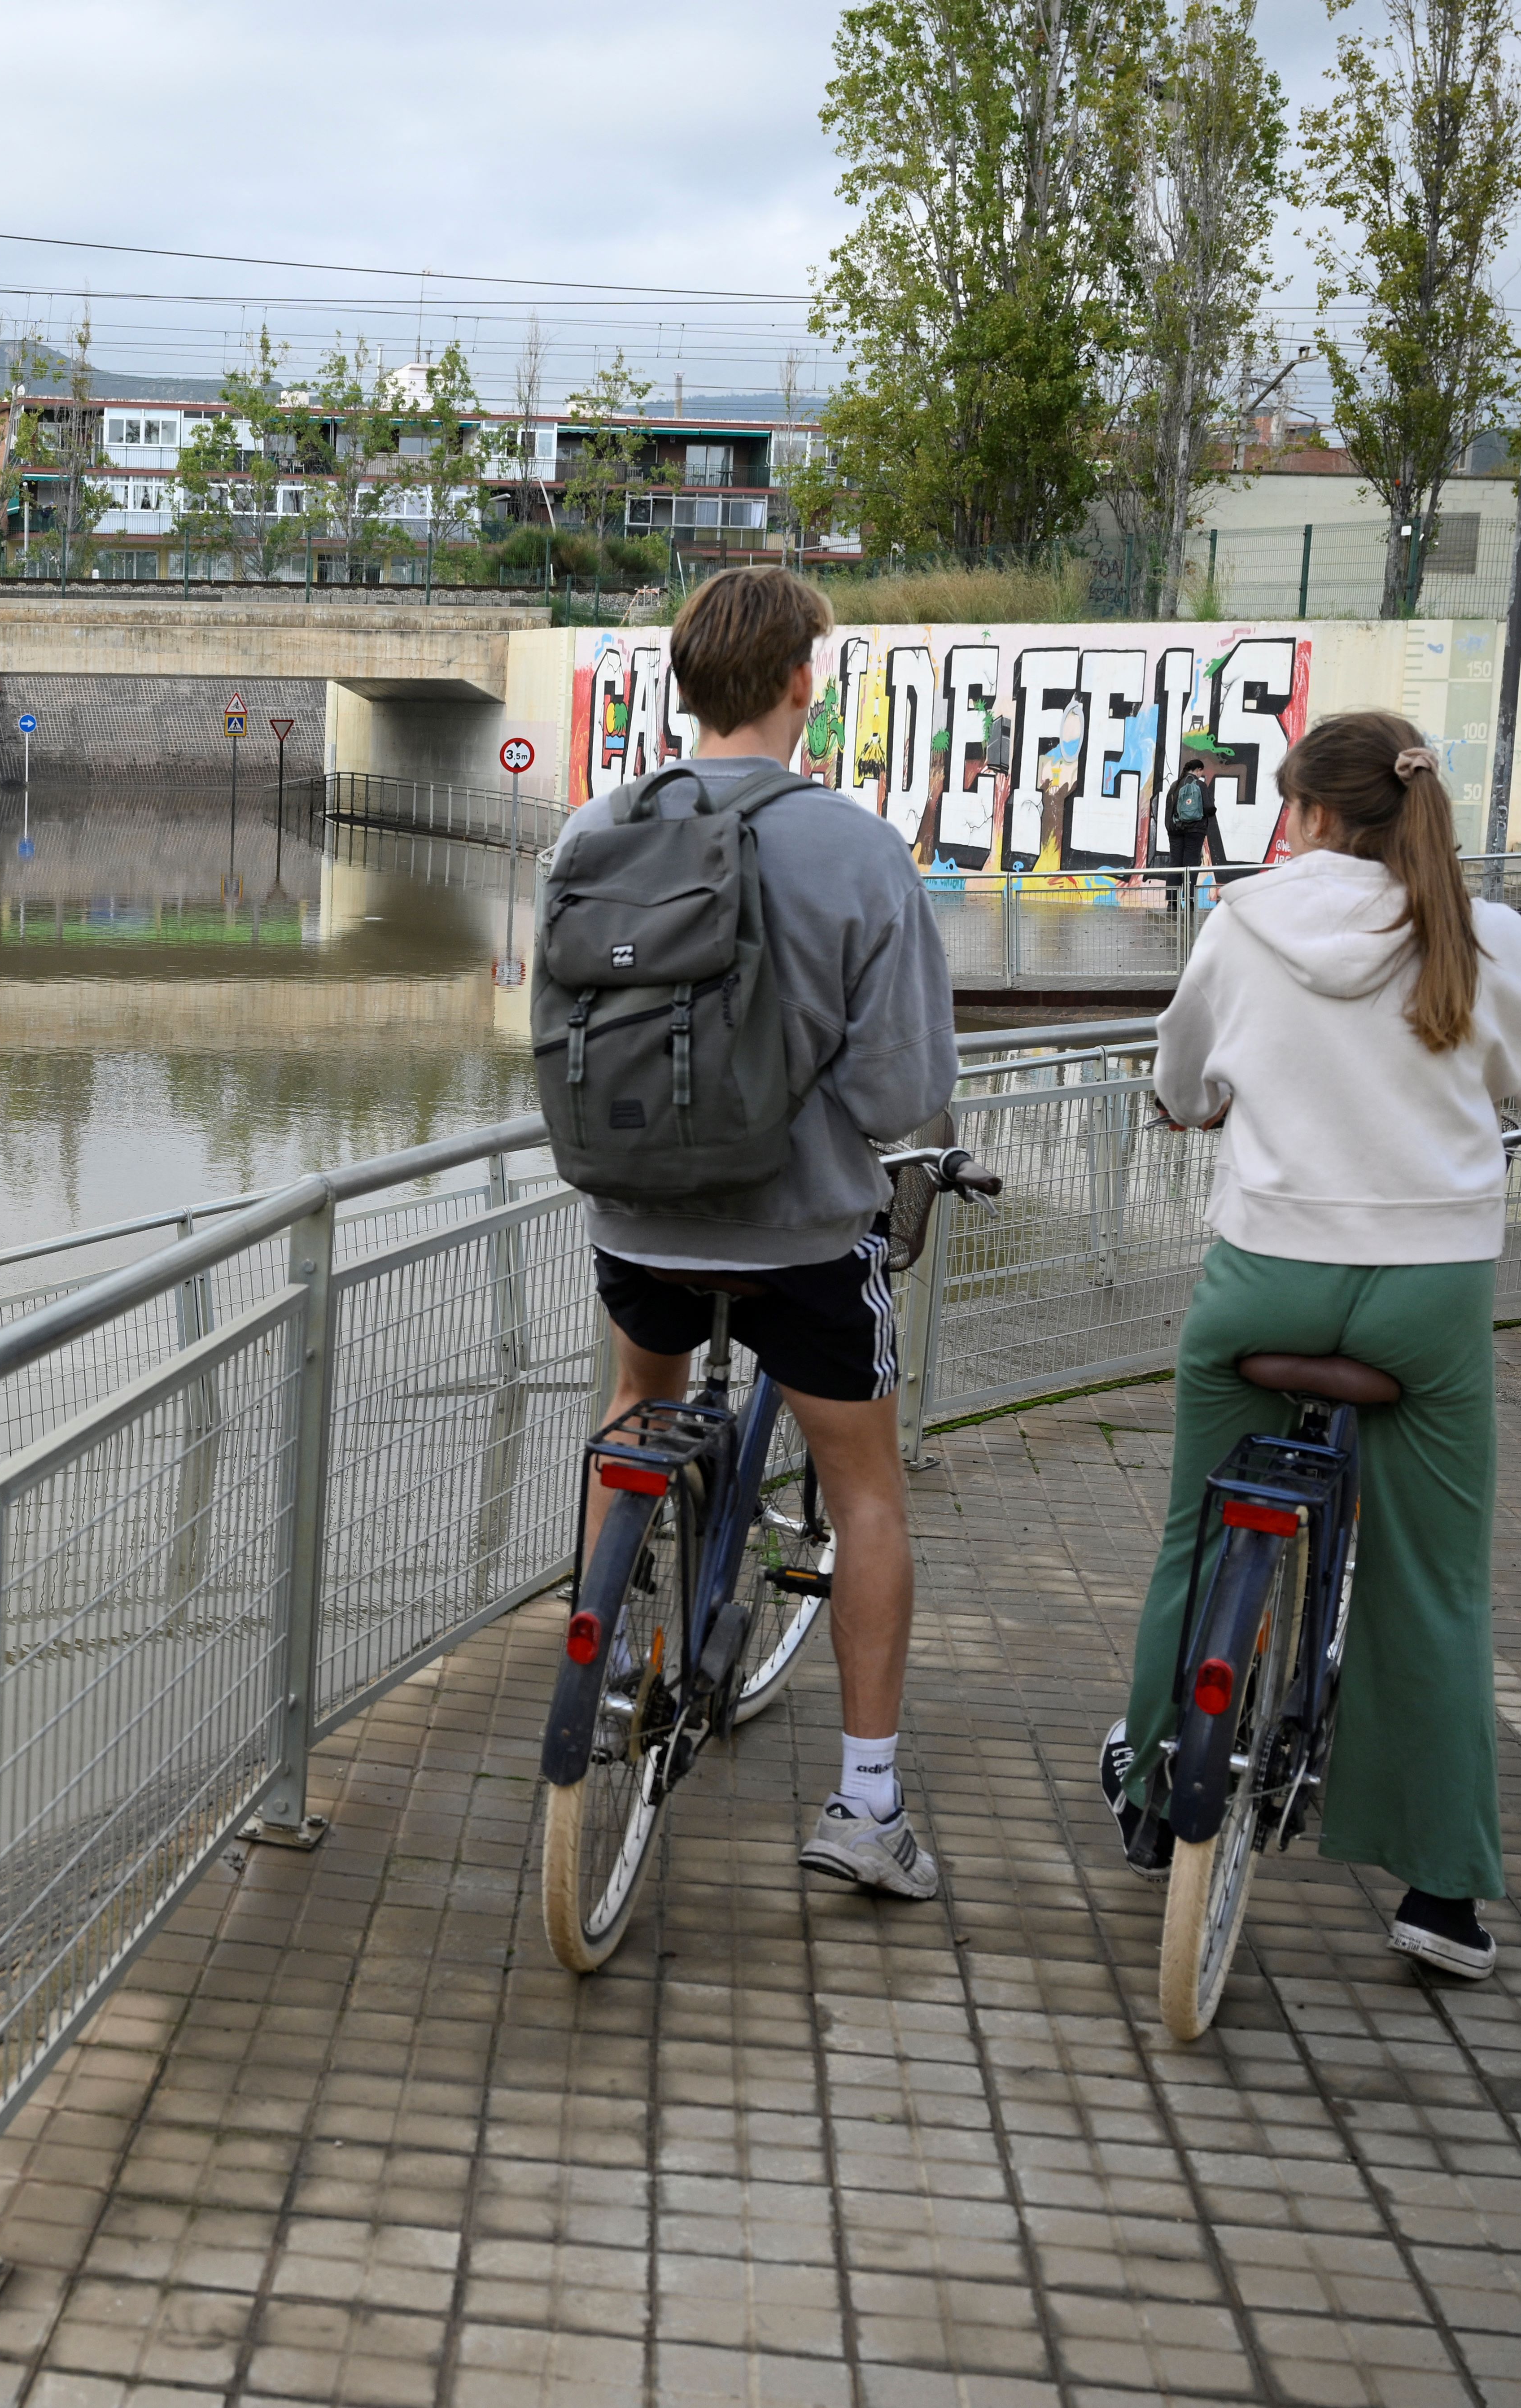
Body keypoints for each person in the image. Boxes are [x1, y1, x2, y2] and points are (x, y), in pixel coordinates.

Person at [1103, 709, 1521, 1980]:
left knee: (1194, 1525)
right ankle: (1441, 1893)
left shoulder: (1241, 921)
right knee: (1435, 1581)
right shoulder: (1483, 935)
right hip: (1425, 1299)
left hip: (1261, 1283)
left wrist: (1198, 1106)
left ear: (1311, 814)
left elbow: (1183, 1078)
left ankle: (1149, 1788)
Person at [561, 564, 961, 1899]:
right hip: (798, 1237)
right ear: (804, 682)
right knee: (862, 1495)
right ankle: (866, 1804)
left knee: (633, 1399)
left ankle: (614, 1644)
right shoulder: (854, 849)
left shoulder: (593, 831)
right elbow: (905, 1090)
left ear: (683, 688)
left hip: (637, 1218)